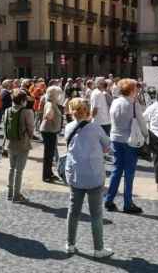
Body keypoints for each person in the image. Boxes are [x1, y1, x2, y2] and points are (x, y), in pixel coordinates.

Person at [64, 98, 113, 258]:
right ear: (87, 111)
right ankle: (98, 249)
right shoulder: (96, 128)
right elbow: (107, 147)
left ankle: (70, 244)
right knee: (96, 214)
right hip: (93, 175)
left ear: (72, 111)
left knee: (73, 211)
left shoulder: (69, 127)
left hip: (76, 174)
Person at [104, 79, 148, 214]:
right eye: (135, 89)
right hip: (130, 140)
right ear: (131, 90)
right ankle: (128, 203)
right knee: (129, 173)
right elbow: (141, 123)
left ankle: (109, 199)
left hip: (115, 138)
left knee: (116, 170)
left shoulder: (115, 101)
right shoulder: (133, 104)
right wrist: (146, 136)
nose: (137, 91)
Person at [4, 90, 34, 203]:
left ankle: (10, 193)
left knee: (11, 168)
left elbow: (5, 127)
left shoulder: (7, 110)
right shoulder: (27, 112)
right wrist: (29, 137)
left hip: (10, 143)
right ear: (22, 101)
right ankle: (16, 195)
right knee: (19, 171)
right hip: (23, 143)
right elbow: (31, 128)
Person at [40, 86, 63, 183]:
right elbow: (48, 114)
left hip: (50, 131)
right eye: (58, 94)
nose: (59, 96)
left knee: (50, 154)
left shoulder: (51, 103)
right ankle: (46, 175)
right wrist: (50, 118)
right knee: (48, 155)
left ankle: (49, 173)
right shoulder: (50, 104)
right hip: (49, 131)